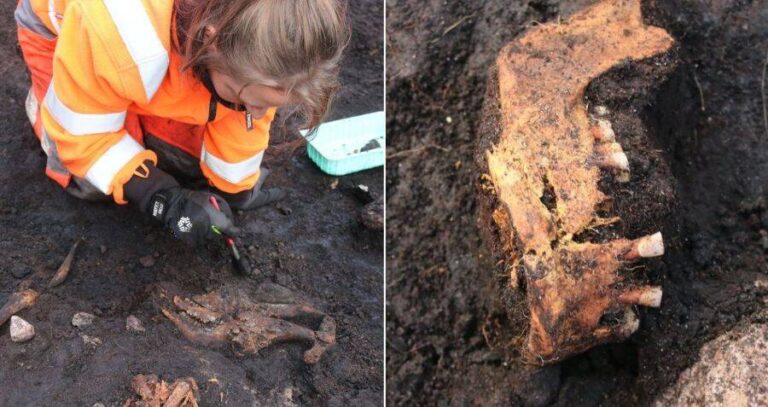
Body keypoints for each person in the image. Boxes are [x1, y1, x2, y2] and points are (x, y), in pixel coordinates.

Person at [15, 0, 348, 245]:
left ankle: (137, 98)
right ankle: (50, 105)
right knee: (91, 181)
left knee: (185, 164)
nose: (258, 115)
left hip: (157, 57)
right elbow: (84, 138)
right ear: (211, 40)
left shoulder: (268, 30)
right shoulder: (121, 26)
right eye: (249, 101)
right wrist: (160, 197)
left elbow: (245, 110)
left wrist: (234, 188)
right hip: (69, 34)